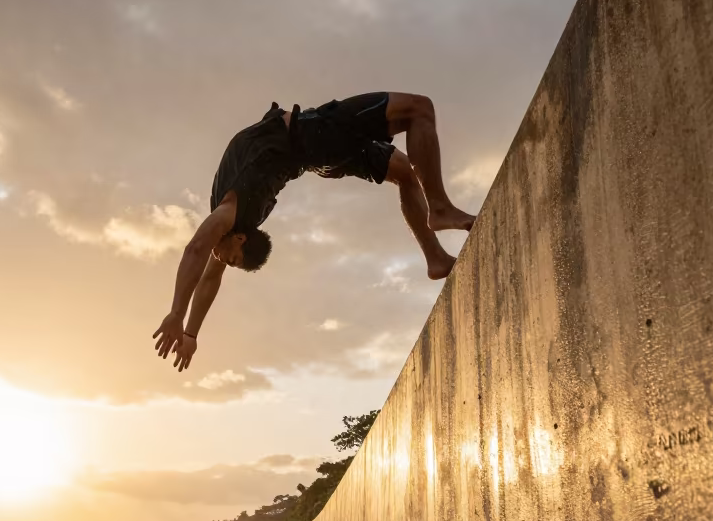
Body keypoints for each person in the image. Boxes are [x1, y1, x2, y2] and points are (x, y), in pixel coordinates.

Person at [153, 92, 476, 372]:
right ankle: (440, 208)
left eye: (229, 259)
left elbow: (199, 256)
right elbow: (207, 271)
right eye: (232, 260)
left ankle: (435, 258)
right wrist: (185, 325)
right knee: (418, 109)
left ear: (241, 239)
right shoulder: (232, 217)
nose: (220, 258)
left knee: (405, 173)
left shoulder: (230, 218)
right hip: (315, 140)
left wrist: (182, 321)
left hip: (316, 147)